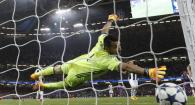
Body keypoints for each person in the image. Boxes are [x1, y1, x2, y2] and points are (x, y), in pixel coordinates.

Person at [30, 14, 167, 90]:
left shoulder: (102, 41)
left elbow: (104, 31)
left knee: (57, 68)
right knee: (65, 84)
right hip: (78, 74)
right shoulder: (109, 60)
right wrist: (147, 72)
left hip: (76, 61)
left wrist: (110, 20)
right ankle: (43, 85)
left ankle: (37, 74)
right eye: (116, 45)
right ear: (109, 49)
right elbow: (125, 67)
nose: (119, 45)